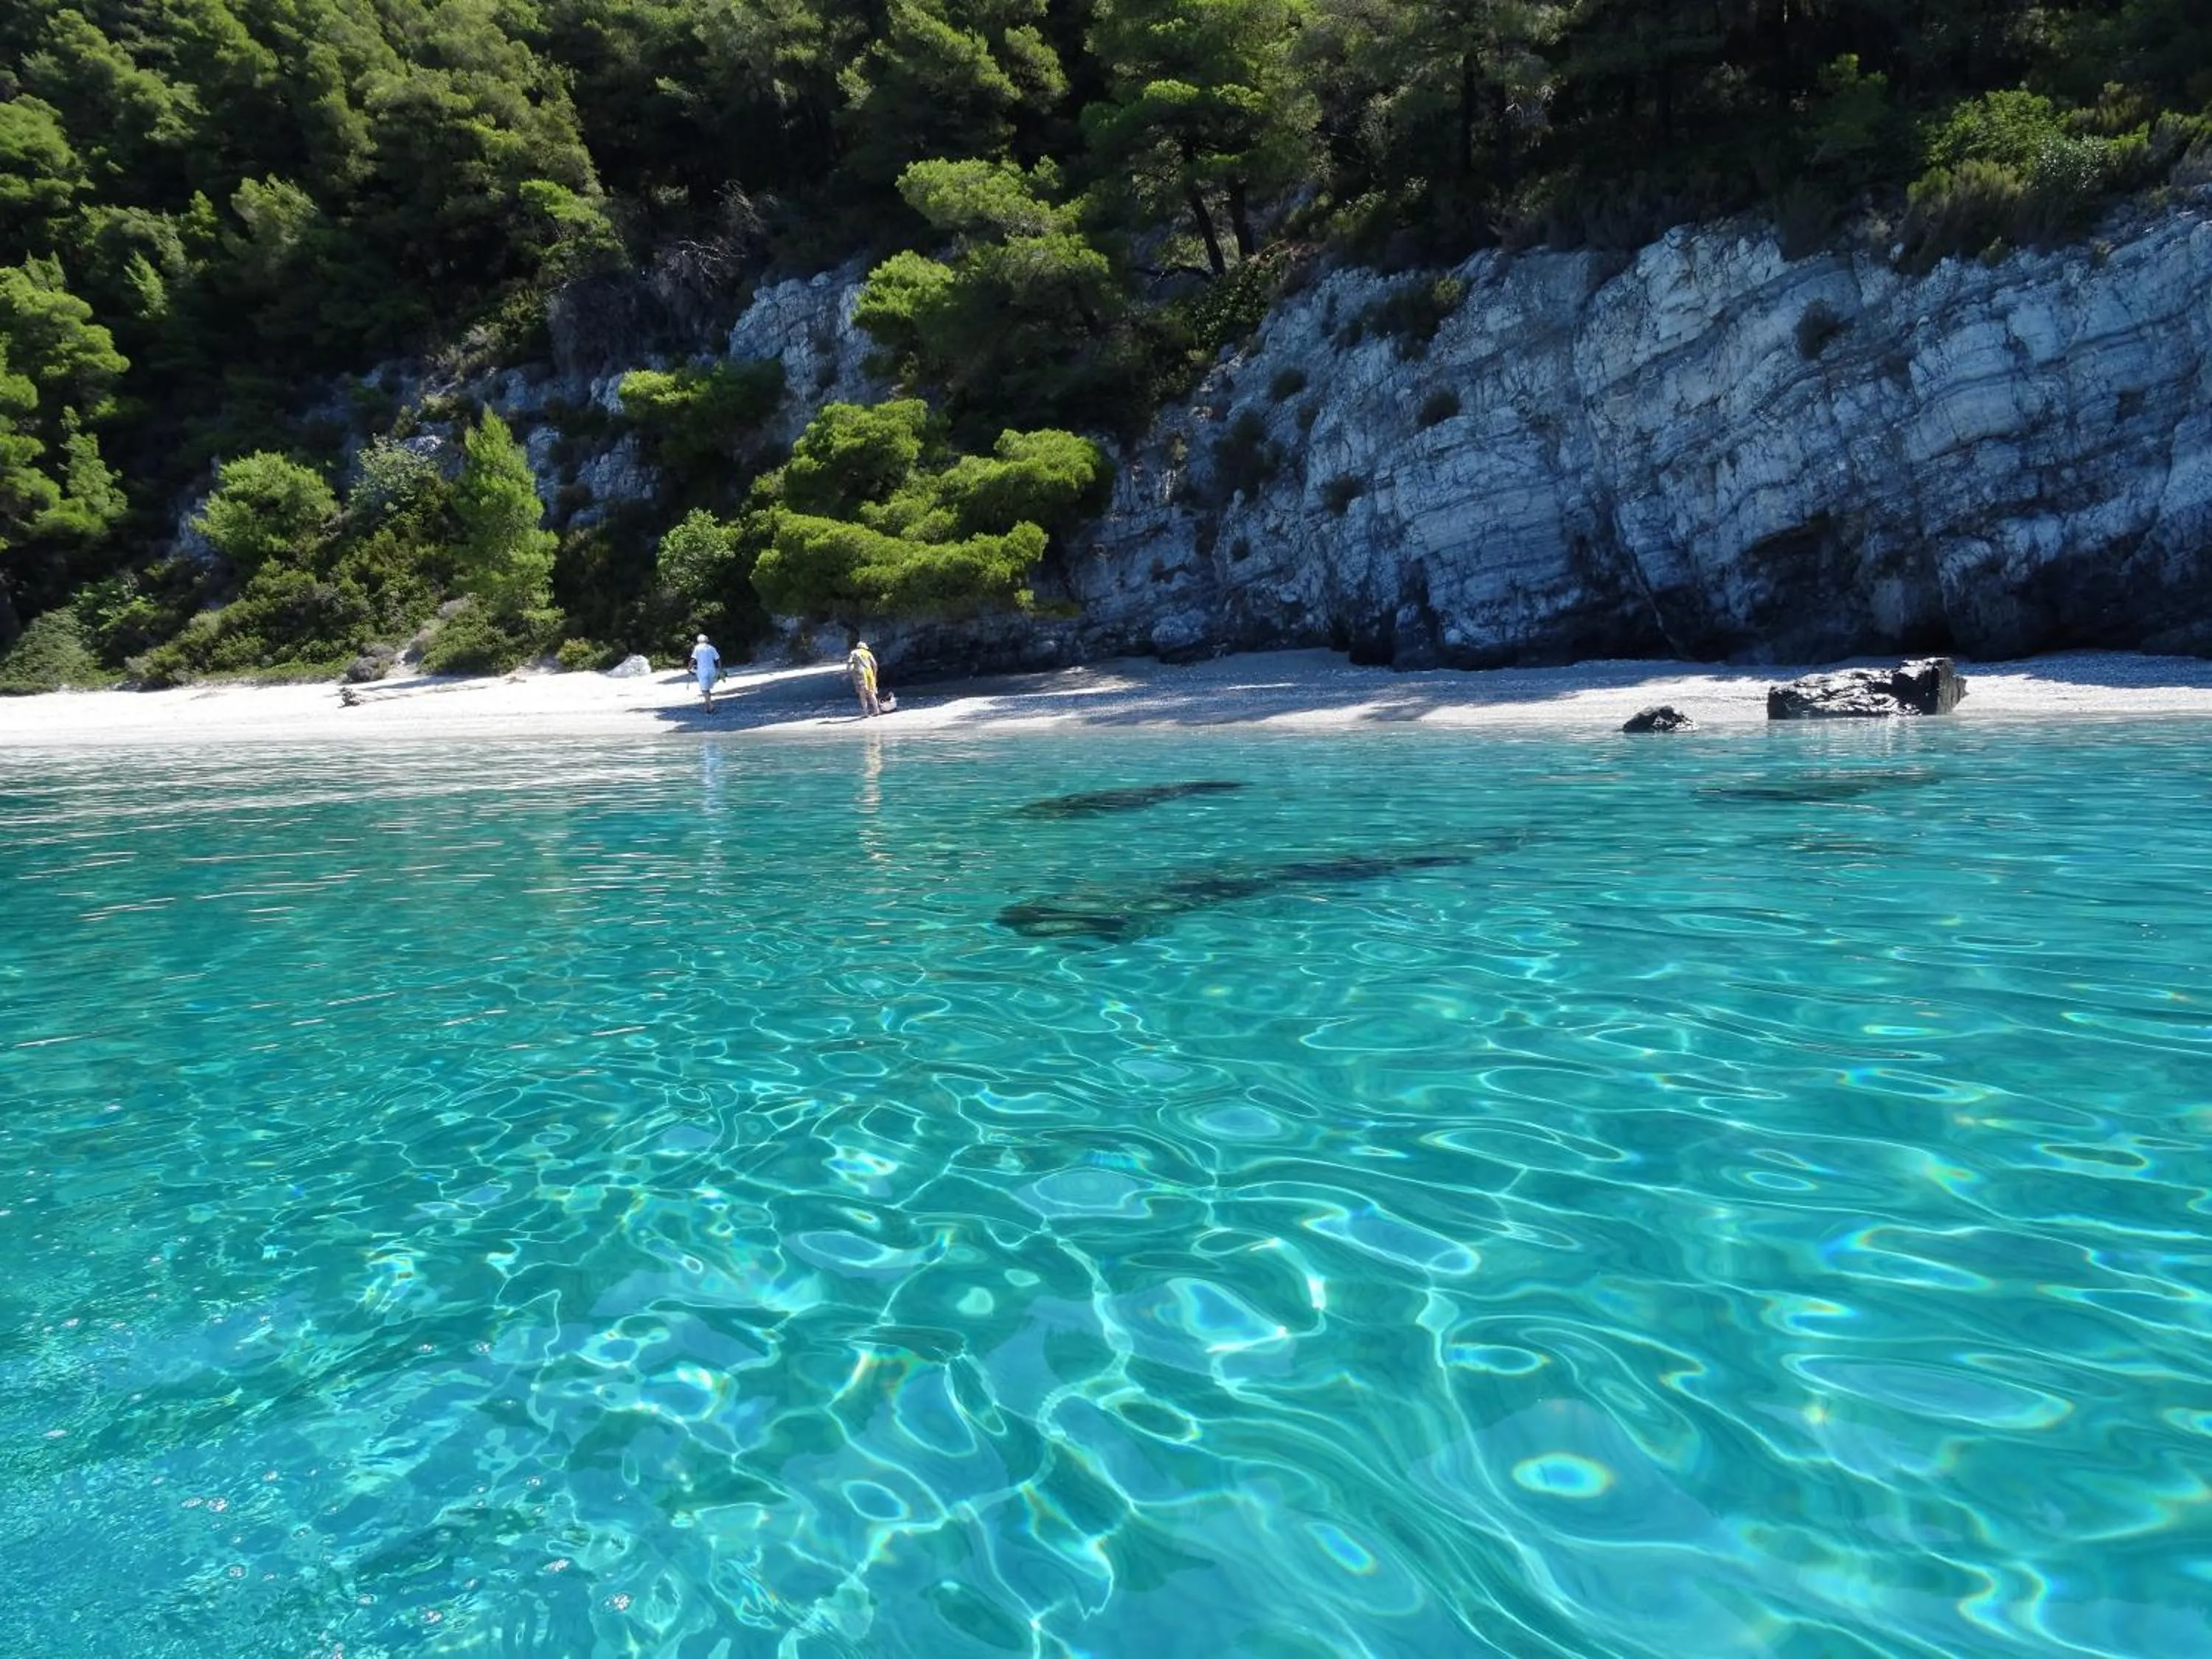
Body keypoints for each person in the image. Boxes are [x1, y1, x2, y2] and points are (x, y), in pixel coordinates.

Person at [845, 639, 880, 717]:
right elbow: (875, 665)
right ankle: (876, 710)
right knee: (871, 692)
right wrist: (874, 674)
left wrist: (847, 673)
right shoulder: (868, 653)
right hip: (869, 673)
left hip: (860, 674)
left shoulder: (854, 653)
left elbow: (849, 662)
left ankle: (866, 713)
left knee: (862, 694)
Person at [687, 633, 722, 710]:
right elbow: (718, 659)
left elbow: (693, 659)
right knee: (708, 689)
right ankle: (708, 707)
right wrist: (720, 670)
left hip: (702, 671)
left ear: (698, 641)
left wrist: (689, 668)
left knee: (704, 689)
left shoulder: (697, 648)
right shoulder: (711, 648)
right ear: (707, 640)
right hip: (712, 670)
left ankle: (711, 705)